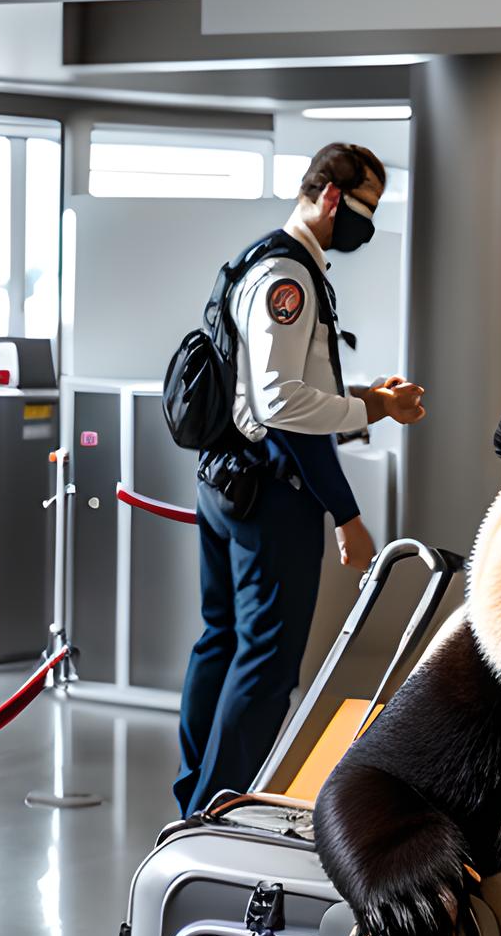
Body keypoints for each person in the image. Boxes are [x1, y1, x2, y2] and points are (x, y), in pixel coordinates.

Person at [173, 142, 427, 816]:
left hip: (227, 481)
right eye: (367, 206)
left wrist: (369, 398)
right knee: (264, 661)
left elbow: (281, 392)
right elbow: (283, 406)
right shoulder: (288, 277)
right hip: (268, 495)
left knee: (221, 638)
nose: (367, 224)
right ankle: (211, 810)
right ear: (334, 196)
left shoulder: (256, 260)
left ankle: (192, 797)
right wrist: (347, 512)